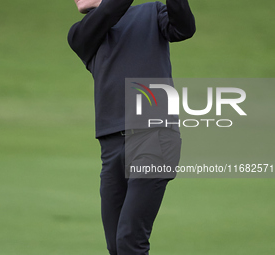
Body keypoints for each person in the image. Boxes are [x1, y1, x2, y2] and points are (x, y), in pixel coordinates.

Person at [68, 0, 195, 254]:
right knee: (116, 246)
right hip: (112, 148)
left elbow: (184, 28)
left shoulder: (152, 12)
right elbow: (111, 9)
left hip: (154, 137)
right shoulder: (81, 33)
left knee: (129, 240)